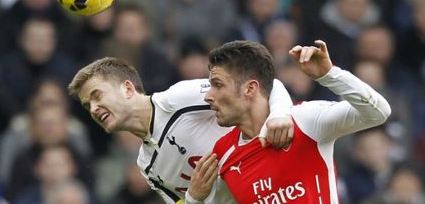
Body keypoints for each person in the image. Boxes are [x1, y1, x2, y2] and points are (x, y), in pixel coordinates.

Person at [187, 40, 391, 203]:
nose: (208, 96)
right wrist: (193, 199)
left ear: (250, 88)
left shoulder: (306, 120)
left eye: (217, 84)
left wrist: (330, 75)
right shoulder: (222, 154)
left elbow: (378, 112)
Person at [68, 57, 294, 203]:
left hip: (283, 191)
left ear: (128, 88)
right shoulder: (147, 166)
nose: (94, 109)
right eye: (88, 106)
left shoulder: (179, 100)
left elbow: (266, 85)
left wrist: (280, 114)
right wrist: (194, 197)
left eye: (97, 96)